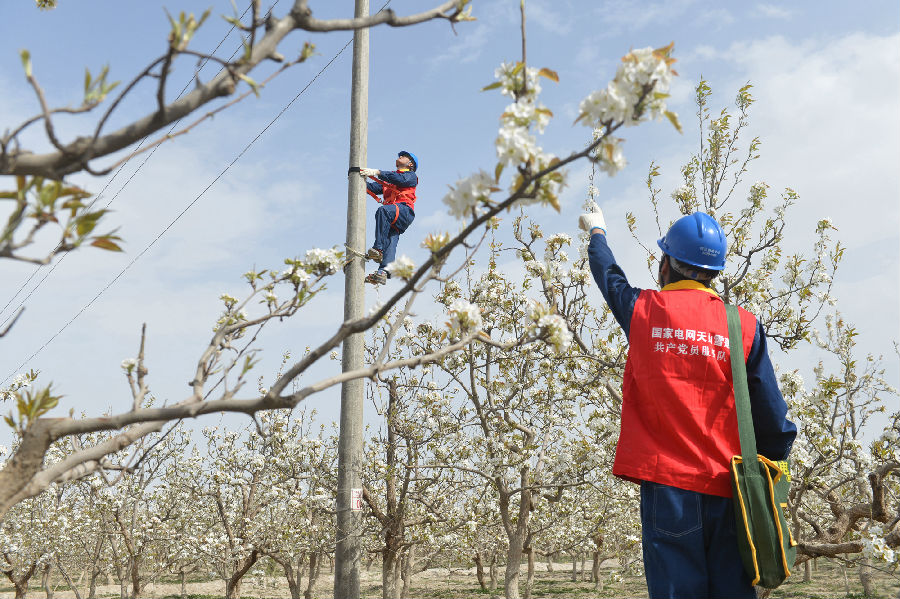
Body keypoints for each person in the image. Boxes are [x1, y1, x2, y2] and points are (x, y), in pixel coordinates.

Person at [578, 209, 796, 599]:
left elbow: (610, 278)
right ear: (714, 272)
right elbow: (773, 418)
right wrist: (767, 475)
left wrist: (597, 231)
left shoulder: (644, 312)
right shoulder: (743, 324)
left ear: (665, 265)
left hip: (668, 492)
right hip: (731, 490)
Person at [358, 150, 418, 285]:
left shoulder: (410, 176)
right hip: (395, 215)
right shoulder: (391, 180)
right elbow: (373, 187)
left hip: (404, 211)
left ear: (410, 164)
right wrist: (356, 178)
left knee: (383, 211)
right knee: (391, 238)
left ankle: (378, 249)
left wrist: (378, 172)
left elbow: (399, 179)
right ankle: (383, 271)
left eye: (404, 156)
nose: (400, 157)